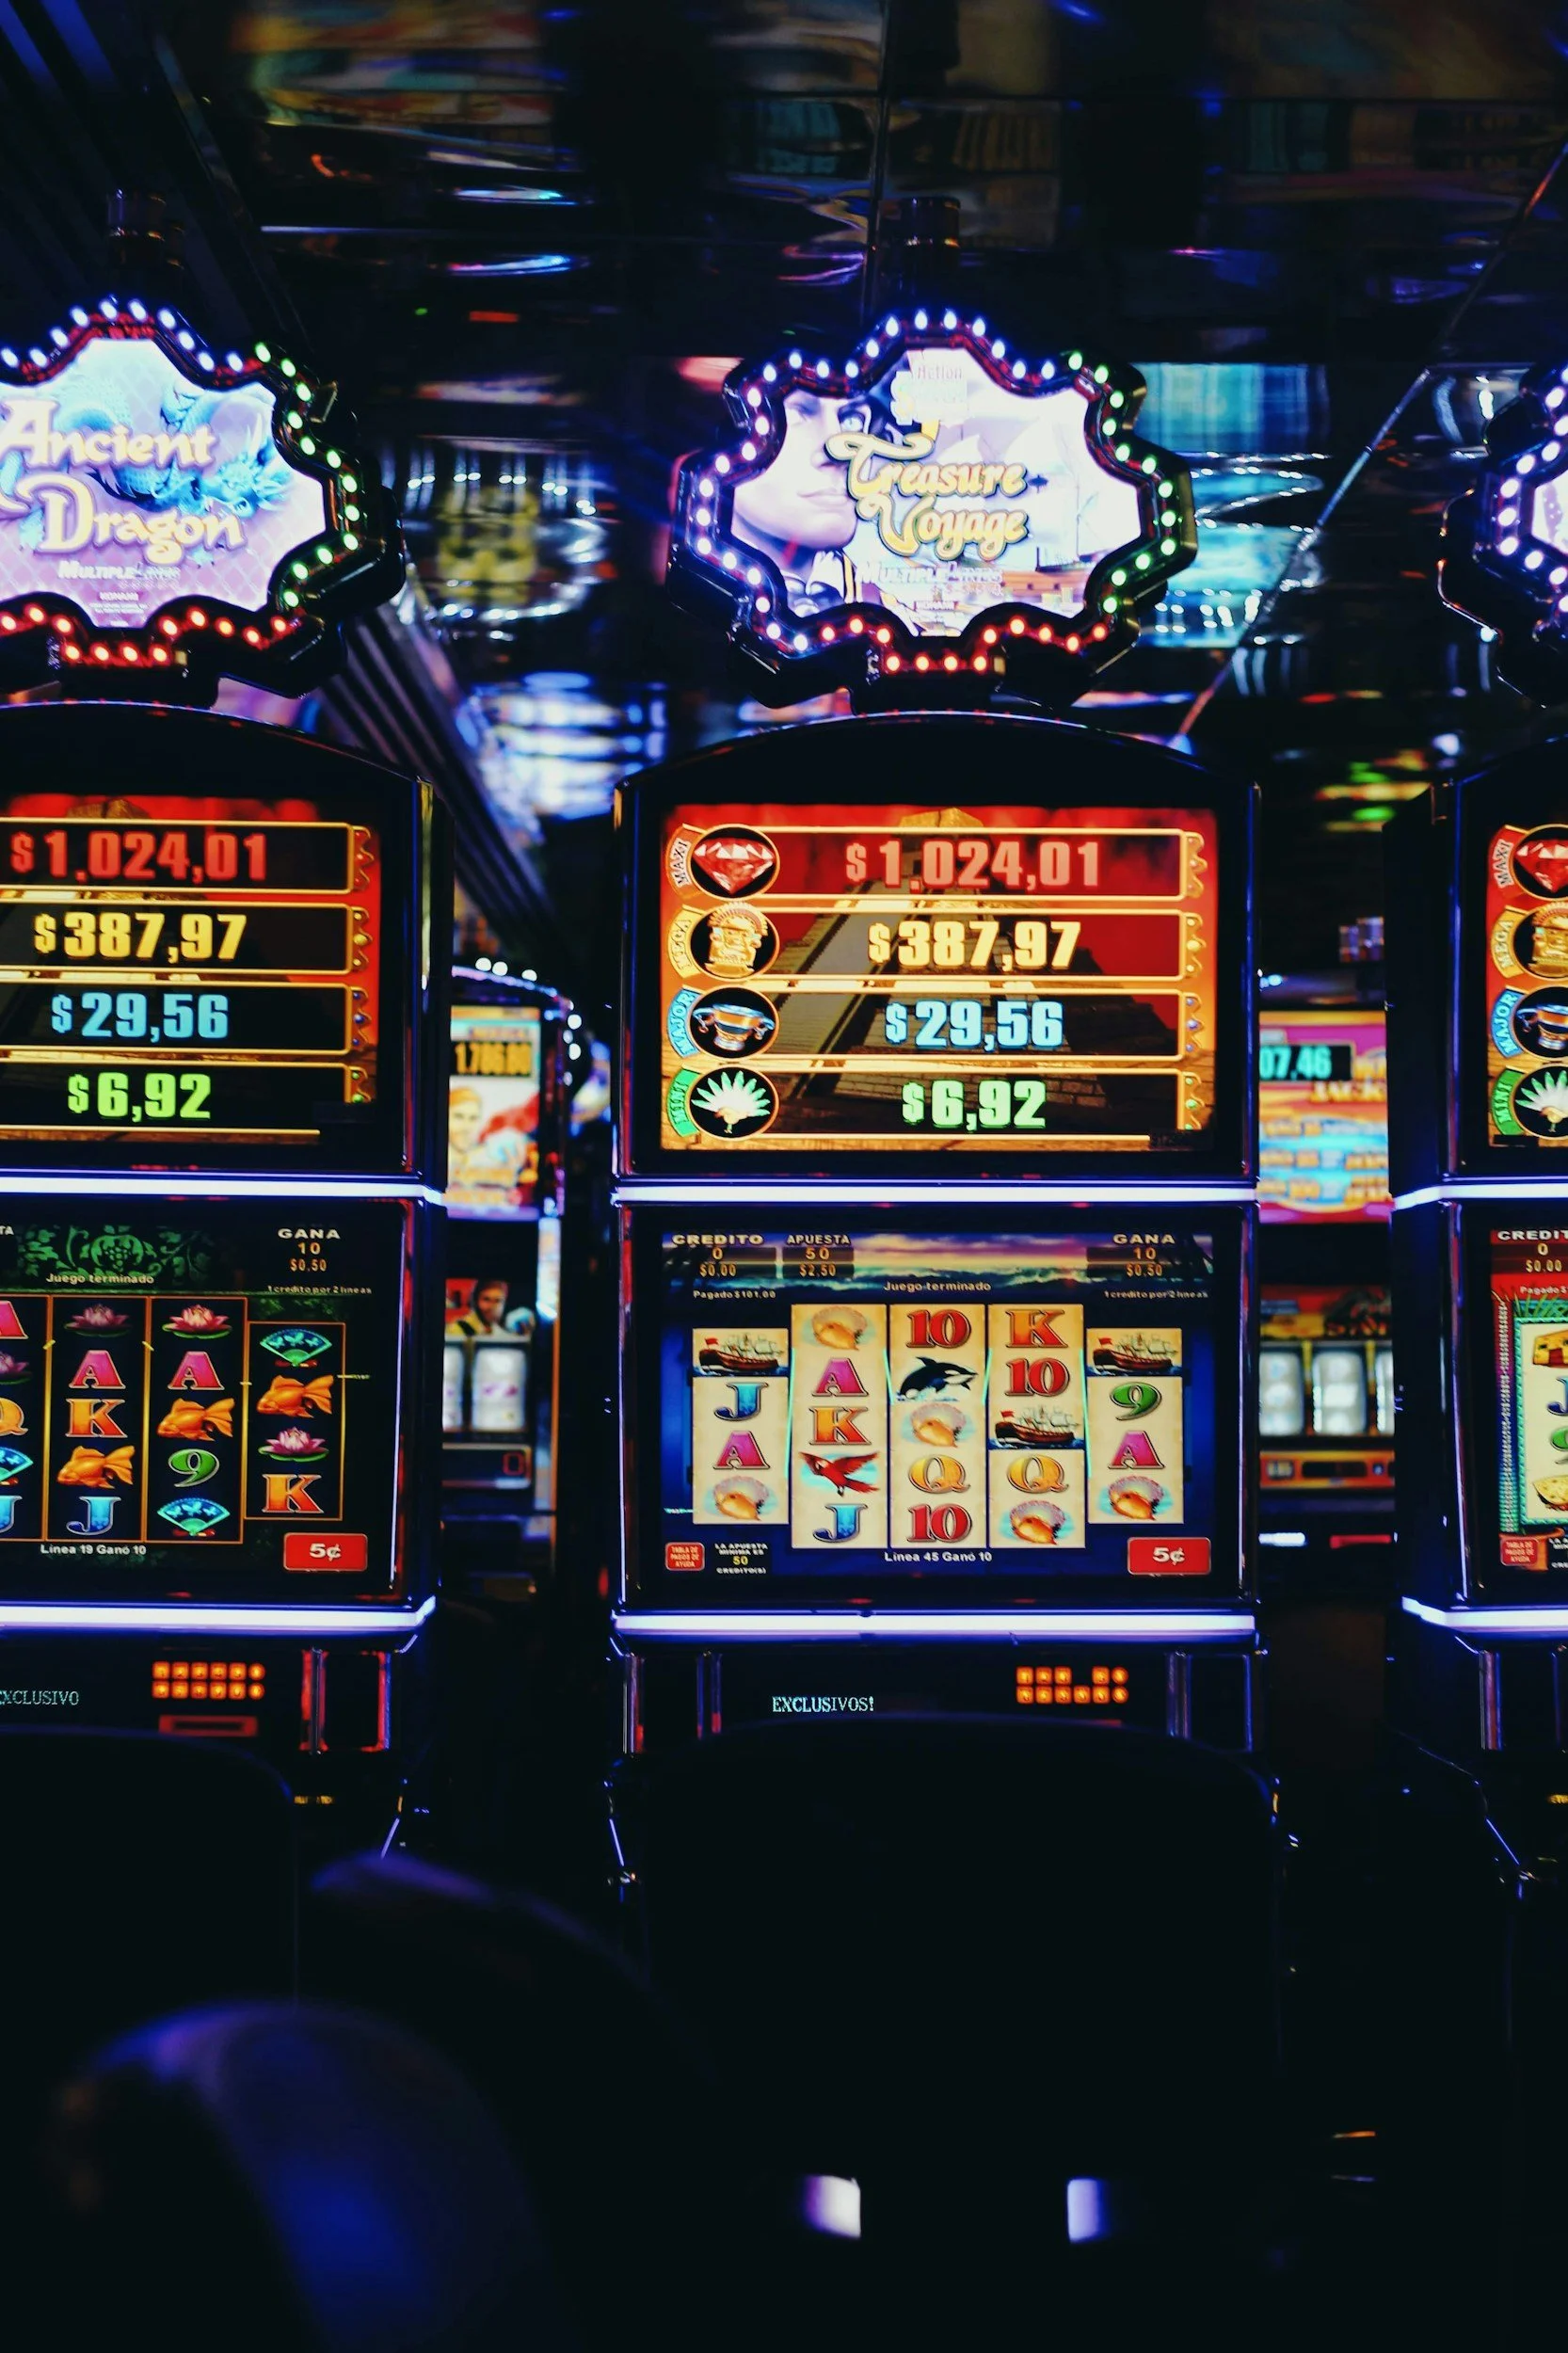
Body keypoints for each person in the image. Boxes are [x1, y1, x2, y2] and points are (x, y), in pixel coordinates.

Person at [729, 388, 884, 610]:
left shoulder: (889, 609)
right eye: (795, 414)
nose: (839, 452)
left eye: (851, 420)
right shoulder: (698, 594)